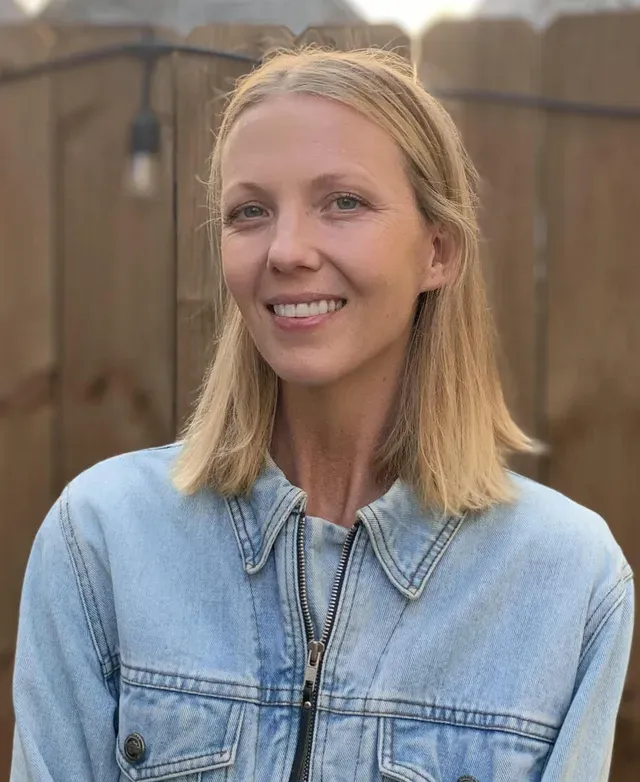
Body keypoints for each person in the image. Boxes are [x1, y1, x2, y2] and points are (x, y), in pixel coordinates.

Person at [10, 48, 633, 782]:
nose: (286, 249)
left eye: (343, 202)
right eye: (250, 212)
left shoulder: (567, 579)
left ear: (438, 251)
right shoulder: (102, 538)